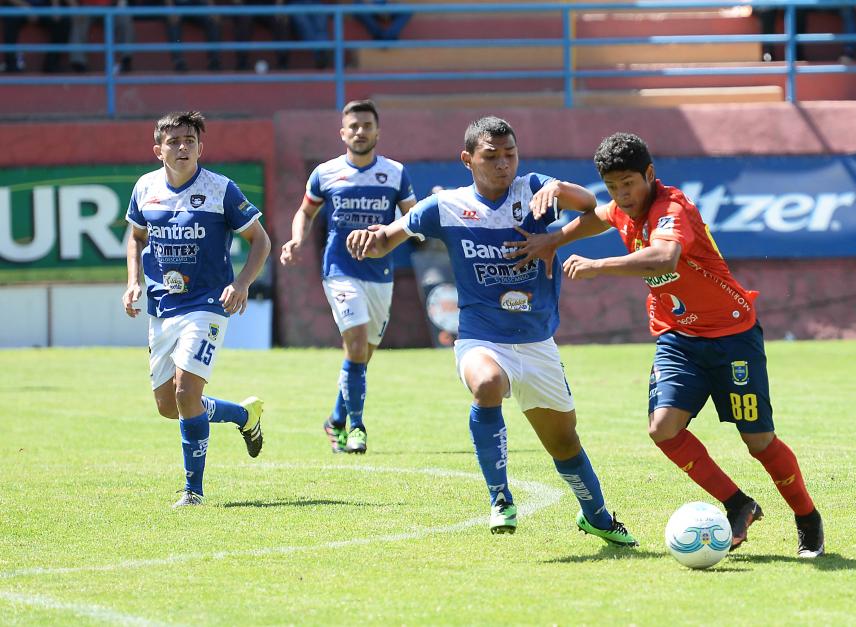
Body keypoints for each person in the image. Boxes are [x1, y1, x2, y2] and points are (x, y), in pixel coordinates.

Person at [505, 132, 824, 558]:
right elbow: (599, 217)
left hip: (733, 338)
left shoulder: (672, 208)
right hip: (678, 339)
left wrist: (599, 265)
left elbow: (664, 258)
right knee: (663, 428)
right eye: (614, 186)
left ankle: (807, 518)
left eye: (630, 184)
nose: (623, 195)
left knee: (758, 441)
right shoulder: (621, 206)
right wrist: (553, 239)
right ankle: (738, 504)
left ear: (650, 175)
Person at [345, 116, 639, 546]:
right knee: (487, 384)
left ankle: (595, 515)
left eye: (510, 155)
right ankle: (500, 498)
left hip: (536, 342)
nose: (503, 164)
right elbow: (392, 235)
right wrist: (371, 238)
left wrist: (556, 229)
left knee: (564, 444)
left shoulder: (536, 190)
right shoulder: (447, 206)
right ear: (468, 160)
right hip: (481, 337)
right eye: (491, 156)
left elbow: (601, 215)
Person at [122, 111, 272, 508]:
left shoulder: (221, 189)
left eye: (190, 140)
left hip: (207, 304)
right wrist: (133, 280)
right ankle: (243, 415)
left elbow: (261, 240)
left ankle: (194, 492)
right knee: (169, 406)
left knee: (187, 391)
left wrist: (241, 283)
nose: (182, 147)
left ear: (201, 148)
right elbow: (135, 237)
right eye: (173, 141)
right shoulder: (145, 189)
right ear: (158, 150)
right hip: (162, 306)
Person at [280, 99, 416, 455]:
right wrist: (297, 239)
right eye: (353, 126)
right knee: (355, 344)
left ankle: (335, 420)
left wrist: (386, 232)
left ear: (377, 131)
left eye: (366, 126)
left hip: (380, 273)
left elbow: (412, 220)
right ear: (343, 133)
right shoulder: (325, 173)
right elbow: (305, 212)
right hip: (339, 269)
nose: (359, 132)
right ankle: (357, 428)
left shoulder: (395, 173)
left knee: (362, 356)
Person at [3, 0, 70, 73]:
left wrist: (55, 7)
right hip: (19, 6)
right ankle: (11, 65)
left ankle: (51, 65)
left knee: (64, 21)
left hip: (43, 7)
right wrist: (27, 8)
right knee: (10, 18)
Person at [68, 0, 135, 73]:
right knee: (78, 20)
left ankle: (125, 60)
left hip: (111, 7)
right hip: (86, 8)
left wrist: (121, 6)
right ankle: (78, 63)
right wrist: (75, 7)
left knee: (124, 17)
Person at [164, 0, 221, 72]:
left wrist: (212, 7)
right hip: (177, 5)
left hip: (197, 4)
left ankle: (214, 61)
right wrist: (170, 8)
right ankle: (178, 62)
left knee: (213, 20)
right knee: (173, 23)